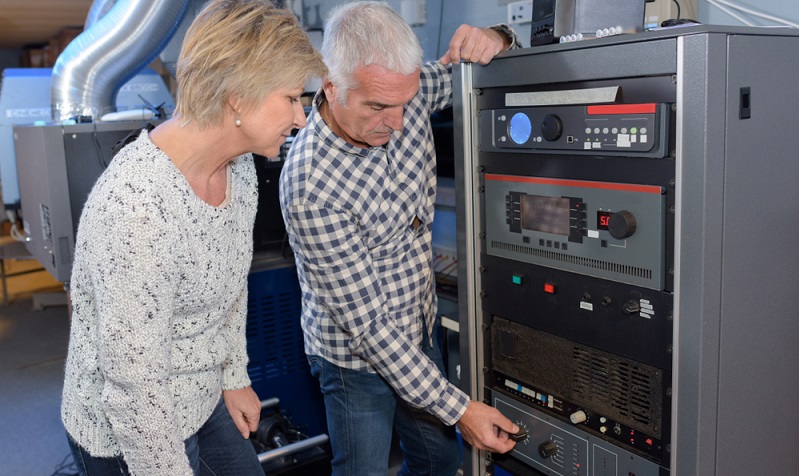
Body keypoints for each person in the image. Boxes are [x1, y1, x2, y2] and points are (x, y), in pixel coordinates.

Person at [60, 1, 326, 475]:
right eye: (290, 98)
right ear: (237, 99)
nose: (301, 118)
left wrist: (234, 376)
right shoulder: (138, 207)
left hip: (199, 398)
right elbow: (136, 393)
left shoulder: (240, 168)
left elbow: (230, 286)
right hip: (131, 428)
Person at [279, 2, 521, 475]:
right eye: (377, 107)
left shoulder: (401, 92)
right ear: (331, 86)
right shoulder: (310, 184)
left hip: (416, 324)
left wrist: (499, 37)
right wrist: (460, 409)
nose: (398, 122)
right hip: (352, 357)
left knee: (437, 462)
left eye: (405, 103)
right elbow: (368, 327)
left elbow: (480, 66)